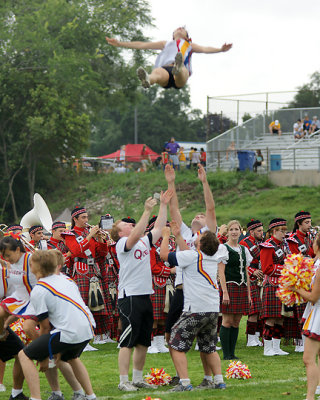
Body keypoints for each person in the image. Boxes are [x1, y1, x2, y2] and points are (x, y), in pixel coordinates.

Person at [110, 190, 172, 392]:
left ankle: (137, 378)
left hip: (145, 295)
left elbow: (159, 226)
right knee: (127, 341)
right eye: (126, 225)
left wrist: (163, 205)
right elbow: (137, 232)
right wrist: (146, 211)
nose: (130, 225)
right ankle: (123, 381)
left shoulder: (144, 241)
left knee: (144, 341)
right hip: (129, 297)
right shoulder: (121, 243)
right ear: (120, 233)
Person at [18, 250, 97, 400]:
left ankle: (35, 397)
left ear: (37, 267)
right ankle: (90, 396)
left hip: (69, 331)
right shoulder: (66, 279)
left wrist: (43, 356)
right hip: (87, 328)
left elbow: (45, 327)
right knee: (70, 357)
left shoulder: (39, 289)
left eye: (31, 263)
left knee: (25, 354)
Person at [160, 225, 227, 392]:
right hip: (212, 309)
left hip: (195, 308)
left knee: (174, 343)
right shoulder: (211, 256)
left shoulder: (192, 256)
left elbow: (164, 256)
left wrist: (166, 236)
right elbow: (186, 251)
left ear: (200, 244)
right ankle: (218, 381)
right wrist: (178, 235)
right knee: (209, 346)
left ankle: (184, 382)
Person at [106, 27, 232, 90]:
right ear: (173, 35)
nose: (180, 29)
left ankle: (177, 67)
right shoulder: (165, 44)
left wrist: (220, 49)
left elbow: (205, 49)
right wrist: (120, 43)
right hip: (166, 70)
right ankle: (148, 79)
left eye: (183, 29)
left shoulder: (189, 45)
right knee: (157, 72)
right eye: (178, 28)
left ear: (187, 37)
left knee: (180, 69)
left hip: (181, 73)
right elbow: (142, 45)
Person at [62, 207, 113, 348]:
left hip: (93, 270)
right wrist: (90, 236)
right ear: (75, 219)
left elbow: (101, 254)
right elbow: (76, 250)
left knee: (98, 304)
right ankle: (83, 339)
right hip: (81, 271)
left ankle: (99, 335)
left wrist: (101, 239)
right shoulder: (69, 234)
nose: (86, 220)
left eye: (87, 217)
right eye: (83, 217)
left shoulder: (87, 232)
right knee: (84, 304)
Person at [290, 233, 320, 400]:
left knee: (308, 358)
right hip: (315, 311)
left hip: (318, 313)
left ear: (317, 245)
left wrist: (295, 289)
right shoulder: (316, 264)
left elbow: (314, 297)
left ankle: (310, 397)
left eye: (314, 242)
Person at [219, 220, 252, 360]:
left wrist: (249, 294)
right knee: (227, 320)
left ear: (240, 231)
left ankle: (232, 353)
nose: (234, 232)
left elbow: (246, 272)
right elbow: (221, 272)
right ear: (227, 233)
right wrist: (225, 292)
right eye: (231, 229)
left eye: (236, 229)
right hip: (230, 286)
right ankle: (226, 354)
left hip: (242, 287)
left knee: (237, 321)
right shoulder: (223, 249)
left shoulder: (244, 249)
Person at [260, 218, 290, 356]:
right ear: (274, 231)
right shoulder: (268, 246)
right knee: (270, 317)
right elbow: (267, 268)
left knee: (280, 317)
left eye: (285, 230)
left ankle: (276, 347)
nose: (284, 234)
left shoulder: (284, 245)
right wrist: (285, 269)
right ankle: (267, 348)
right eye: (281, 231)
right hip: (271, 285)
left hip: (283, 285)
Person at [287, 211, 315, 352]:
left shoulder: (311, 237)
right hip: (299, 279)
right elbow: (294, 259)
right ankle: (300, 343)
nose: (310, 225)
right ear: (299, 224)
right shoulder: (292, 239)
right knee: (300, 311)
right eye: (307, 223)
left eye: (310, 222)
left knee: (311, 310)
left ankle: (309, 340)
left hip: (312, 278)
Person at [239, 219, 265, 347]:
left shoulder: (261, 242)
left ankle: (257, 337)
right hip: (251, 278)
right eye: (259, 231)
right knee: (253, 310)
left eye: (262, 230)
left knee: (259, 310)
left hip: (261, 279)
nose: (262, 233)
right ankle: (250, 339)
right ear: (251, 231)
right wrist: (253, 271)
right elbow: (242, 263)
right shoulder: (245, 243)